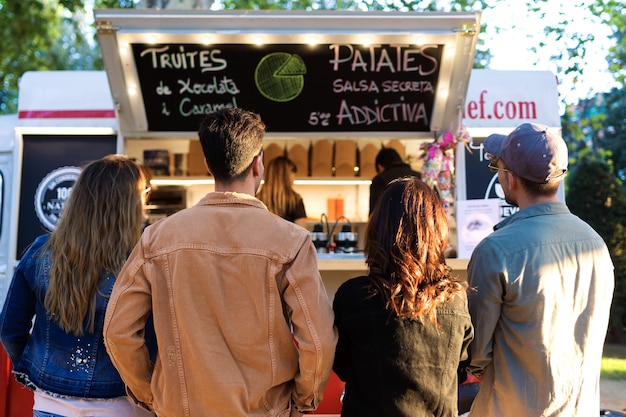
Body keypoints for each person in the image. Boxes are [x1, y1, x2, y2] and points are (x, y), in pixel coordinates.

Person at [103, 108, 337, 417]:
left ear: (207, 165)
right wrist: (302, 401)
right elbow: (317, 341)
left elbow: (117, 332)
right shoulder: (291, 241)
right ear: (258, 164)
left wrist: (154, 395)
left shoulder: (156, 239)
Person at [466, 123, 615, 416]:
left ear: (510, 178)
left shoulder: (496, 250)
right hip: (579, 408)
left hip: (511, 408)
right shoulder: (596, 244)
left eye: (497, 166)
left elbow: (474, 353)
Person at [0, 154, 154, 417]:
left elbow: (9, 330)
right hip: (123, 407)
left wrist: (37, 372)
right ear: (129, 203)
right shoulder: (144, 260)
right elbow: (153, 342)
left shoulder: (41, 251)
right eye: (145, 193)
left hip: (50, 406)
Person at [333, 176, 473, 417]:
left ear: (378, 229)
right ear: (436, 231)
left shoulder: (352, 296)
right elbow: (459, 370)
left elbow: (343, 366)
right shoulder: (455, 300)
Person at [257, 155, 308, 228]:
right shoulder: (295, 201)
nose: (294, 179)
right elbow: (302, 233)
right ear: (286, 176)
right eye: (293, 174)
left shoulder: (258, 200)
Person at [369, 147, 421, 215]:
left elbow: (375, 212)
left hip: (390, 225)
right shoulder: (421, 177)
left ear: (380, 167)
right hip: (420, 224)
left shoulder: (380, 180)